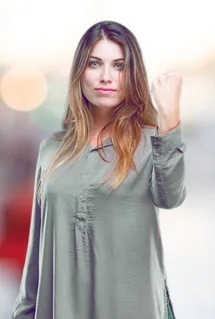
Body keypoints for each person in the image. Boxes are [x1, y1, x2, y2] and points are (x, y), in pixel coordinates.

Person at [12, 20, 186, 319]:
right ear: (80, 72)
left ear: (132, 75)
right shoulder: (52, 149)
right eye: (95, 64)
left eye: (119, 65)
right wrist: (24, 312)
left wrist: (169, 118)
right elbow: (37, 251)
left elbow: (171, 196)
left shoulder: (149, 142)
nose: (106, 76)